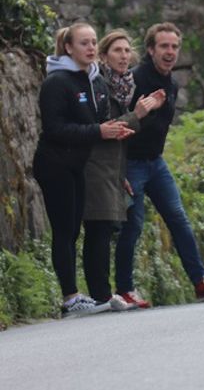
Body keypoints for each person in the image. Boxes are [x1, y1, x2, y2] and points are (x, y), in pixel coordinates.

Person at [115, 22, 204, 307]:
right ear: (151, 49)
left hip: (156, 164)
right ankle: (125, 290)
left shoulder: (173, 84)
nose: (170, 52)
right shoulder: (134, 79)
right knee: (133, 226)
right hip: (130, 164)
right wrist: (117, 171)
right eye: (164, 46)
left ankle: (201, 281)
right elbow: (116, 123)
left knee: (178, 218)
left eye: (174, 47)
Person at [34, 23, 134, 318]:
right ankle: (70, 297)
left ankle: (77, 295)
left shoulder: (97, 83)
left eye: (93, 42)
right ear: (68, 48)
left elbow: (99, 130)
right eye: (83, 43)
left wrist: (113, 136)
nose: (91, 48)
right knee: (64, 231)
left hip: (79, 165)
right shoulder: (57, 82)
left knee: (73, 231)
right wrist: (99, 131)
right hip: (54, 163)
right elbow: (54, 128)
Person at [82, 29, 165, 311]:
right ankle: (101, 296)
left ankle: (104, 295)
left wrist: (122, 175)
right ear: (104, 55)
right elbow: (110, 129)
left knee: (106, 228)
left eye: (128, 50)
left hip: (112, 168)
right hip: (95, 166)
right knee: (98, 229)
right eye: (117, 50)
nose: (124, 56)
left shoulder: (123, 87)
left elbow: (118, 138)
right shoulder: (99, 85)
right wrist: (139, 114)